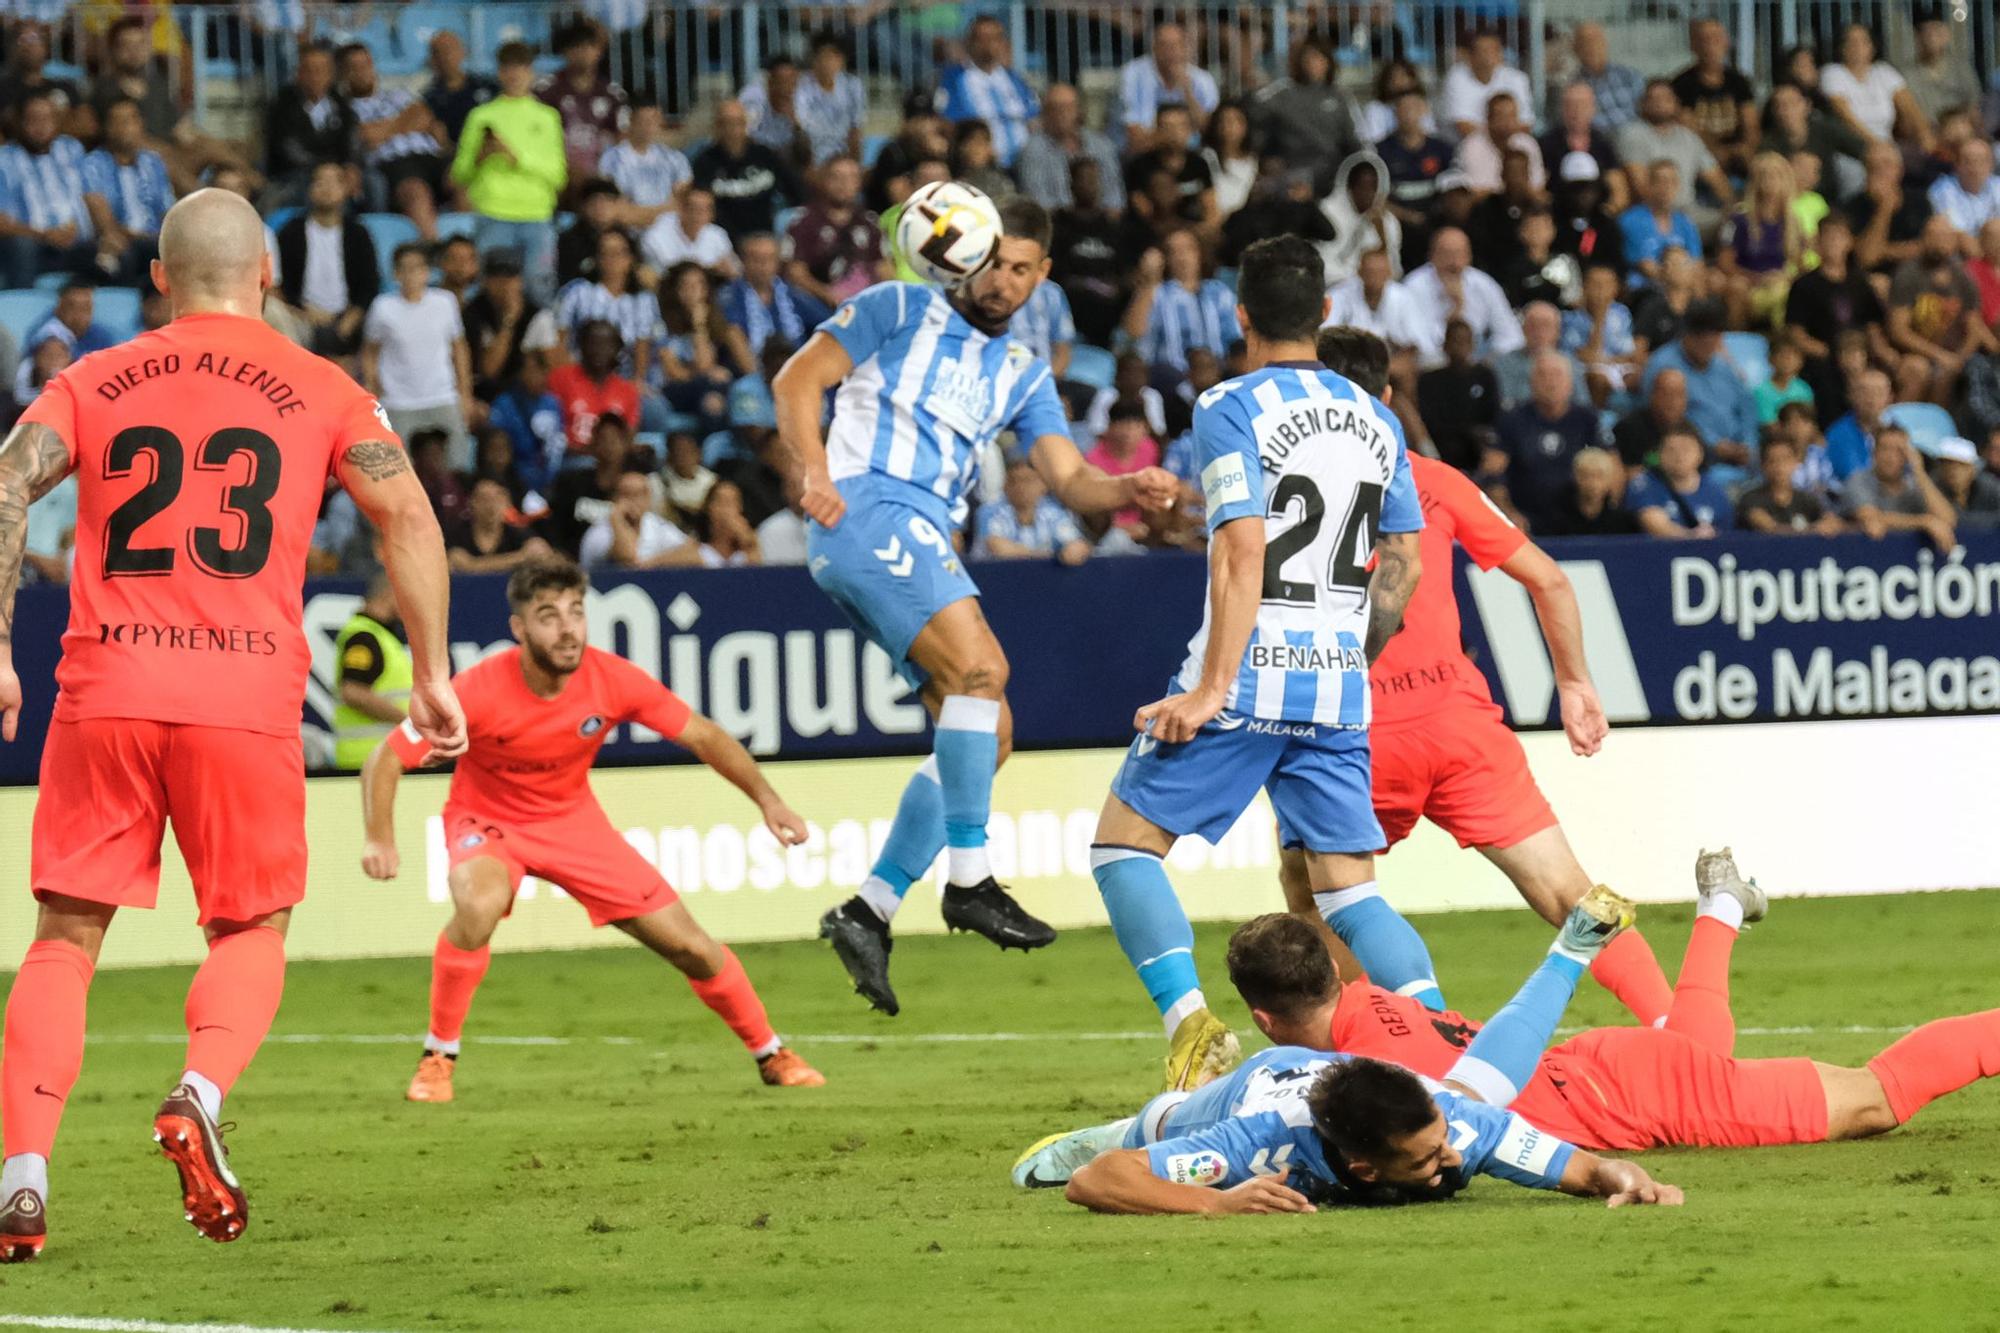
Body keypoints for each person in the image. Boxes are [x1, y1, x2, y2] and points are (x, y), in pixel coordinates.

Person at [0, 188, 466, 1262]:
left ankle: (23, 1179)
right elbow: (406, 513)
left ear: (157, 278)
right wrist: (433, 670)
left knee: (65, 937)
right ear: (266, 273)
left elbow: (11, 484)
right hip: (244, 700)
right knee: (249, 930)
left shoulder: (92, 377)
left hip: (103, 692)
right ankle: (198, 1093)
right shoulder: (323, 387)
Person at [776, 199, 1177, 1018]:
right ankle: (969, 879)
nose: (1003, 281)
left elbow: (1069, 480)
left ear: (1043, 275)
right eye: (994, 262)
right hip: (864, 507)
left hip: (920, 531)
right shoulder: (899, 306)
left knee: (987, 730)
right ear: (965, 255)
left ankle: (870, 907)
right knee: (983, 667)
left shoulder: (1024, 372)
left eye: (1022, 268)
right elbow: (797, 379)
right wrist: (812, 469)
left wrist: (1128, 487)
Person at [1085, 240, 1425, 1092]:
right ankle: (1434, 1033)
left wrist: (1211, 688)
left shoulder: (1227, 403)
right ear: (1323, 316)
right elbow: (1403, 560)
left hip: (1248, 673)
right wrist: (1350, 652)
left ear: (1241, 316)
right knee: (1349, 890)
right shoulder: (1378, 415)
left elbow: (1245, 547)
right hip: (1339, 680)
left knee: (1123, 850)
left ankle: (1192, 1027)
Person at [1291, 328, 1672, 1023]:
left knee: (1327, 903)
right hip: (1460, 724)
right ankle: (1678, 1028)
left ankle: (1374, 1057)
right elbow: (1550, 581)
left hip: (1356, 734)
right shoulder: (1435, 482)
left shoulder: (1290, 492)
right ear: (1385, 398)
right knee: (1567, 892)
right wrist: (1577, 683)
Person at [360, 557, 822, 1102]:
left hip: (574, 823)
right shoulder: (478, 689)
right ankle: (439, 1057)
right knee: (478, 906)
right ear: (520, 629)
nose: (567, 628)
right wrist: (379, 837)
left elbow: (703, 736)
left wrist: (769, 801)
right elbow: (384, 760)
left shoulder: (612, 678)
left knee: (693, 948)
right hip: (488, 821)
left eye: (576, 612)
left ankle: (772, 1053)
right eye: (549, 615)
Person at [1208, 852, 2000, 1162]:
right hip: (1599, 1068)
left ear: (1265, 1021)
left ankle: (1723, 909)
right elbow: (1344, 939)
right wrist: (1307, 888)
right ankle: (1722, 906)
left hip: (1624, 1090)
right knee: (1699, 1048)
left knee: (1871, 1101)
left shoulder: (1352, 1082)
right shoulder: (1376, 1000)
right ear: (1336, 978)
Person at [1034, 911, 1679, 1212]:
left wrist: (1626, 1180)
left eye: (1438, 1145)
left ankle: (1568, 951)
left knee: (1477, 1094)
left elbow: (1592, 1170)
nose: (1450, 1160)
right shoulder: (1256, 1149)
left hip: (1345, 1074)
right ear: (1365, 1169)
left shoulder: (1459, 1128)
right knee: (1158, 1125)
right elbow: (1097, 1180)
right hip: (1251, 1092)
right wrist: (1215, 1206)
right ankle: (1169, 1096)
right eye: (1425, 1159)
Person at [453, 43, 567, 306]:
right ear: (500, 73)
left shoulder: (547, 117)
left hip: (537, 215)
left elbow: (558, 175)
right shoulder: (481, 116)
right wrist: (482, 157)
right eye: (508, 68)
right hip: (493, 213)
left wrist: (516, 158)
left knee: (539, 291)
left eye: (521, 68)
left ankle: (538, 346)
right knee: (492, 291)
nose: (515, 75)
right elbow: (460, 173)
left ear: (531, 72)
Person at [364, 243, 474, 470]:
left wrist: (464, 393)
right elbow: (370, 352)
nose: (413, 274)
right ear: (396, 273)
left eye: (419, 268)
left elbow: (459, 348)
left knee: (459, 464)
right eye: (407, 268)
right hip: (399, 400)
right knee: (398, 468)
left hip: (442, 395)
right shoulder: (383, 307)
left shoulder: (445, 302)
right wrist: (374, 389)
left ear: (427, 271)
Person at [342, 43, 450, 242]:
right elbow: (368, 136)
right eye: (354, 67)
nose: (362, 71)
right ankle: (434, 249)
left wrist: (386, 129)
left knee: (464, 184)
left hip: (432, 155)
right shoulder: (344, 109)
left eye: (366, 64)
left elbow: (424, 116)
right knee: (416, 191)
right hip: (395, 163)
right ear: (343, 73)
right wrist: (406, 120)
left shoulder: (398, 94)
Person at [275, 161, 379, 366]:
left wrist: (349, 321)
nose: (327, 188)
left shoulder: (358, 233)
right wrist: (303, 313)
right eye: (320, 181)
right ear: (310, 189)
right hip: (301, 317)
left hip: (348, 318)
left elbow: (369, 285)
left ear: (346, 189)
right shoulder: (291, 231)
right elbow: (280, 284)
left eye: (335, 182)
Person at [1888, 214, 1998, 404]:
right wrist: (1939, 356)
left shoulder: (1963, 277)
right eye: (1934, 236)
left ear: (1955, 242)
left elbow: (1974, 326)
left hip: (1955, 353)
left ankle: (1939, 425)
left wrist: (1960, 357)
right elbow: (1899, 331)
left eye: (1946, 237)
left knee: (1951, 371)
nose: (1940, 243)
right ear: (1923, 238)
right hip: (1917, 352)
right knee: (1917, 369)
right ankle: (1900, 427)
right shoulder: (1908, 275)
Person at [1644, 301, 1757, 476]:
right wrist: (1711, 444)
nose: (1708, 346)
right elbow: (1663, 417)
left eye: (1714, 339)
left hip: (1741, 454)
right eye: (1702, 339)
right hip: (1694, 456)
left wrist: (1748, 444)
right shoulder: (1663, 365)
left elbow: (1747, 407)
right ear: (1687, 335)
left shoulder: (1723, 366)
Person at [1493, 352, 1601, 531]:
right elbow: (1492, 474)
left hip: (1579, 518)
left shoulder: (1587, 419)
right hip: (1525, 520)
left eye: (1557, 375)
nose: (1550, 382)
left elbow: (1611, 466)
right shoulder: (1512, 419)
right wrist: (1508, 513)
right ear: (1531, 382)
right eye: (1542, 375)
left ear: (1570, 383)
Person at [0, 90, 94, 289]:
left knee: (113, 254)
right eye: (33, 119)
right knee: (20, 247)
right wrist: (44, 235)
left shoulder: (71, 149)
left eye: (47, 118)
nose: (41, 126)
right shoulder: (5, 160)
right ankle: (20, 310)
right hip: (34, 245)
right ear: (19, 122)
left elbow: (92, 197)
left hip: (75, 243)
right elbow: (2, 223)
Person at [80, 98, 174, 287]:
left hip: (154, 239)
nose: (126, 127)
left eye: (131, 120)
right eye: (119, 121)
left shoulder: (154, 162)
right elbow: (103, 220)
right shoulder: (92, 164)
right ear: (106, 127)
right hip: (121, 241)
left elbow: (168, 212)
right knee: (120, 254)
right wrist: (132, 235)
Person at [1615, 81, 1732, 232]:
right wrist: (1669, 218)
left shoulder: (1689, 137)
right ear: (1643, 103)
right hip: (1651, 214)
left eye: (1666, 99)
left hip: (1690, 212)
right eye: (1653, 99)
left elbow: (1716, 178)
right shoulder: (1632, 134)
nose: (1659, 103)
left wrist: (1733, 207)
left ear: (1676, 104)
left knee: (1732, 226)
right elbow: (1640, 187)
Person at [784, 156, 888, 322]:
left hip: (865, 303)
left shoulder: (870, 222)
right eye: (836, 177)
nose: (843, 184)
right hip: (822, 305)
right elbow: (795, 273)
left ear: (859, 183)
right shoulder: (804, 222)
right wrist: (827, 294)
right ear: (823, 180)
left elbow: (883, 269)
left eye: (850, 178)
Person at [1124, 229, 1241, 377]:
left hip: (1218, 376)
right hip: (1173, 377)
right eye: (1173, 251)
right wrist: (1149, 281)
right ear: (1165, 259)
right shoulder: (1157, 293)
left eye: (1188, 249)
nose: (1182, 257)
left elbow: (1237, 339)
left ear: (1200, 253)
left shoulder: (1220, 293)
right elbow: (1133, 333)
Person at [1403, 226, 1523, 367]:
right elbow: (1419, 343)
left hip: (1482, 363)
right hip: (1432, 366)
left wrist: (1489, 360)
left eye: (1459, 254)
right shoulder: (1414, 286)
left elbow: (1511, 335)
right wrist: (1455, 311)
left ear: (1469, 257)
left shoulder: (1484, 284)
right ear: (1432, 256)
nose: (1453, 262)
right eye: (1446, 254)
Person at [1251, 38, 1359, 193]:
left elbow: (1353, 139)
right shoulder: (1283, 92)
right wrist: (1266, 157)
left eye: (1317, 58)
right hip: (1291, 166)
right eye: (1307, 58)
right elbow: (1252, 109)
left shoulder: (1340, 96)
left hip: (1331, 168)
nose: (1312, 63)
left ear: (1328, 63)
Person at [692, 99, 806, 245]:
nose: (733, 129)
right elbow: (704, 207)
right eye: (726, 123)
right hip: (724, 241)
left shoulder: (765, 155)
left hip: (766, 237)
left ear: (746, 125)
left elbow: (795, 189)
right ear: (717, 127)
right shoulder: (704, 162)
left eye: (738, 122)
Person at [330, 572, 411, 771]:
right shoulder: (364, 638)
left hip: (379, 759)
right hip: (365, 761)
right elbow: (353, 692)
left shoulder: (380, 636)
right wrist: (409, 722)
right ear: (390, 593)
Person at [261, 43, 356, 210]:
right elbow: (288, 149)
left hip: (335, 170)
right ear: (299, 74)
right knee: (323, 186)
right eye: (309, 70)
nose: (315, 76)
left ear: (331, 75)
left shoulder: (342, 105)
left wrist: (349, 166)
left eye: (321, 70)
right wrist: (325, 169)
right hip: (294, 173)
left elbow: (350, 141)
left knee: (373, 182)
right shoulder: (282, 105)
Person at [937, 16, 1036, 170]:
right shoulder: (954, 79)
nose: (989, 45)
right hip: (981, 162)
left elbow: (1033, 118)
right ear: (970, 43)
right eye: (982, 39)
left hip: (1024, 162)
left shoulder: (1014, 79)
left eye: (995, 38)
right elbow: (949, 122)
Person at [537, 20, 627, 184]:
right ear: (566, 52)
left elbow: (621, 139)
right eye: (577, 47)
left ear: (599, 51)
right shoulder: (547, 90)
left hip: (599, 175)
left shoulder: (612, 94)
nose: (584, 53)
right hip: (556, 171)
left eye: (590, 46)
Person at [1840, 424, 1957, 550]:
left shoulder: (1914, 485)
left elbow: (1948, 519)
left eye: (1899, 451)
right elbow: (1871, 518)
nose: (1890, 457)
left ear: (1908, 456)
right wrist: (1924, 522)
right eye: (1885, 449)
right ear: (1874, 453)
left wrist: (1919, 471)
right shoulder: (1859, 481)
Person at [1016, 83, 1124, 214]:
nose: (1062, 114)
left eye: (1068, 107)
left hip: (1101, 225)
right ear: (1044, 113)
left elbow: (1115, 200)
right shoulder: (1032, 150)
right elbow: (1038, 205)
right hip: (1059, 227)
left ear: (1079, 110)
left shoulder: (1102, 146)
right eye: (1054, 108)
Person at [1670, 19, 1758, 177]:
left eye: (1716, 38)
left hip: (1738, 154)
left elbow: (1751, 125)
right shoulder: (1681, 84)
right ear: (1693, 46)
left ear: (1726, 42)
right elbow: (1689, 128)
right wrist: (1717, 150)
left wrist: (1744, 148)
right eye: (1704, 39)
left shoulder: (1739, 81)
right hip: (1701, 154)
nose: (1710, 45)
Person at [1820, 23, 1929, 149]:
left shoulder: (1884, 71)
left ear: (1872, 47)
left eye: (1863, 41)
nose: (1857, 47)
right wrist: (1878, 146)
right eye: (1851, 41)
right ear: (1841, 47)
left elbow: (1910, 109)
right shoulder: (1832, 73)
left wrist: (1924, 135)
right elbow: (1846, 118)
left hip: (1888, 146)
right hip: (1852, 146)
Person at [1415, 318, 1500, 473]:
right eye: (1455, 341)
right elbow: (1430, 420)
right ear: (1445, 345)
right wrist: (1466, 431)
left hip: (1479, 447)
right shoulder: (1429, 379)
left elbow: (1493, 413)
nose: (1460, 347)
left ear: (1473, 345)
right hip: (1443, 447)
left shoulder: (1485, 375)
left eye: (1465, 341)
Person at [549, 320, 641, 457]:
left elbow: (627, 439)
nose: (600, 350)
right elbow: (548, 431)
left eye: (607, 344)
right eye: (593, 343)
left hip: (608, 465)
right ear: (581, 345)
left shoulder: (627, 390)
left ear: (616, 349)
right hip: (568, 461)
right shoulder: (560, 378)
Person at [974, 458, 1090, 564]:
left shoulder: (1054, 513)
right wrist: (1049, 556)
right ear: (1005, 485)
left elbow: (1077, 544)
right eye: (1014, 481)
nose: (1021, 487)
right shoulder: (989, 511)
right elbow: (999, 548)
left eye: (1028, 481)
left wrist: (1074, 549)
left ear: (1043, 485)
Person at [1627, 424, 1733, 537]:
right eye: (1671, 450)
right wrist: (1693, 536)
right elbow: (1655, 524)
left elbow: (1725, 532)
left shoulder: (1715, 490)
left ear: (1700, 454)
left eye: (1686, 449)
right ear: (1659, 454)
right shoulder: (1644, 484)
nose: (1679, 456)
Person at [1119, 22, 1218, 142]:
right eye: (1164, 45)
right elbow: (1135, 132)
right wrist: (1174, 136)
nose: (1171, 51)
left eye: (1177, 45)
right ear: (1154, 48)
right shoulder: (1133, 74)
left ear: (1187, 48)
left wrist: (1188, 93)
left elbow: (1210, 130)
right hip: (1144, 151)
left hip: (1190, 151)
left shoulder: (1203, 79)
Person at [600, 103, 690, 233]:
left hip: (669, 233)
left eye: (654, 121)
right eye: (644, 121)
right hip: (627, 231)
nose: (649, 127)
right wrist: (661, 211)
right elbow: (616, 209)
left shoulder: (675, 158)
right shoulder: (612, 159)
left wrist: (642, 213)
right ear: (631, 121)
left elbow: (682, 204)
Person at [1737, 433, 1842, 534]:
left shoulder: (1807, 500)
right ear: (1763, 465)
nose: (1779, 467)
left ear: (1796, 462)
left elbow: (1830, 521)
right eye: (1773, 461)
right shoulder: (1751, 500)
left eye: (1785, 459)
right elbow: (1770, 528)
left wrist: (1829, 523)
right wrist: (1813, 529)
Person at [447, 473, 551, 573]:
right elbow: (459, 562)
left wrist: (473, 565)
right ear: (470, 502)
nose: (491, 506)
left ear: (507, 502)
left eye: (497, 498)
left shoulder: (519, 534)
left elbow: (541, 552)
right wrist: (522, 557)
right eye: (484, 499)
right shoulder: (456, 535)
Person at [1442, 29, 1535, 138]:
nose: (1489, 56)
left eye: (1494, 50)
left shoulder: (1518, 78)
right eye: (1484, 50)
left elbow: (1525, 125)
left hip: (1509, 142)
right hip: (1466, 144)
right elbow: (1464, 127)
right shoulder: (1456, 77)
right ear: (1470, 56)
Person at [1542, 445, 1637, 535]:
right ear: (1575, 477)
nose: (1592, 483)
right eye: (1586, 476)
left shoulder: (1621, 522)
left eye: (1599, 476)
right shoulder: (1555, 518)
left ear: (1609, 479)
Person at [640, 186, 735, 276]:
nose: (698, 214)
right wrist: (710, 269)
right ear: (681, 209)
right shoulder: (656, 235)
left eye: (704, 210)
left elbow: (734, 270)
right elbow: (661, 275)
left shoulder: (718, 235)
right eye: (693, 208)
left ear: (712, 214)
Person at [422, 30, 495, 146]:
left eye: (450, 49)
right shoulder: (429, 100)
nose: (446, 57)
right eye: (438, 52)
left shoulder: (488, 86)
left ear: (463, 52)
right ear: (432, 59)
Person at [1927, 138, 2000, 253]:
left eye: (1981, 161)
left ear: (1990, 165)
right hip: (1959, 255)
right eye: (1968, 161)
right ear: (1957, 165)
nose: (1974, 168)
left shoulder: (1997, 186)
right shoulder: (1943, 189)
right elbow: (1958, 233)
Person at [1933, 434, 2000, 529]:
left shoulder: (1990, 488)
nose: (1952, 470)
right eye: (1946, 464)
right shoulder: (1931, 488)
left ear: (1972, 469)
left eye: (1960, 465)